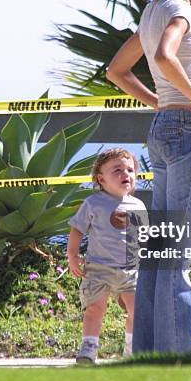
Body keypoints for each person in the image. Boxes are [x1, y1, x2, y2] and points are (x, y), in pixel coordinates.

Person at [106, 0, 191, 354]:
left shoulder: (152, 11)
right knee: (179, 247)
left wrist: (162, 103)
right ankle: (180, 352)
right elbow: (163, 58)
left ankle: (149, 350)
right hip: (190, 131)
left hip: (162, 131)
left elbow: (116, 72)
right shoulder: (180, 11)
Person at [67, 148, 147, 364]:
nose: (126, 174)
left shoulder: (138, 206)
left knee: (137, 311)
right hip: (98, 269)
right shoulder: (93, 203)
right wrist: (72, 255)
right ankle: (89, 348)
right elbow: (77, 229)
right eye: (118, 170)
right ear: (101, 179)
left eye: (130, 170)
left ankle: (131, 350)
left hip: (130, 271)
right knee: (95, 308)